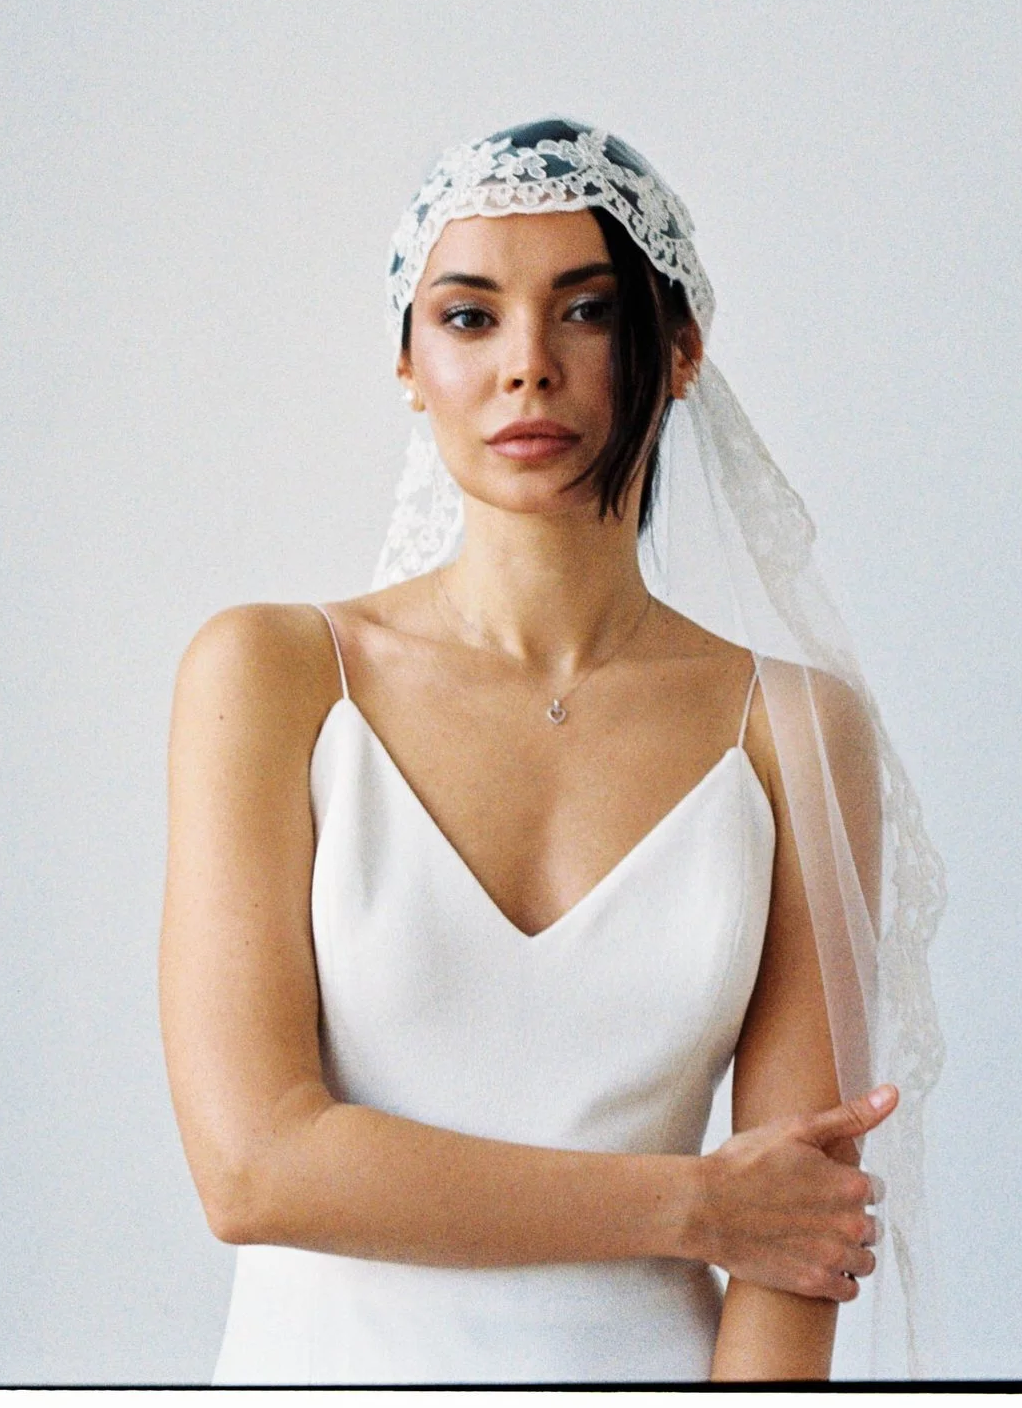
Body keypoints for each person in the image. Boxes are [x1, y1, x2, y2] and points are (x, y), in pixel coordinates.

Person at [159, 121, 945, 1383]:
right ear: (409, 365)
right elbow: (253, 1167)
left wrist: (743, 1221)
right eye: (468, 318)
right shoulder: (271, 677)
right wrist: (692, 1204)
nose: (528, 366)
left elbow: (794, 1237)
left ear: (677, 350)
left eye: (584, 311)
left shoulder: (792, 730)